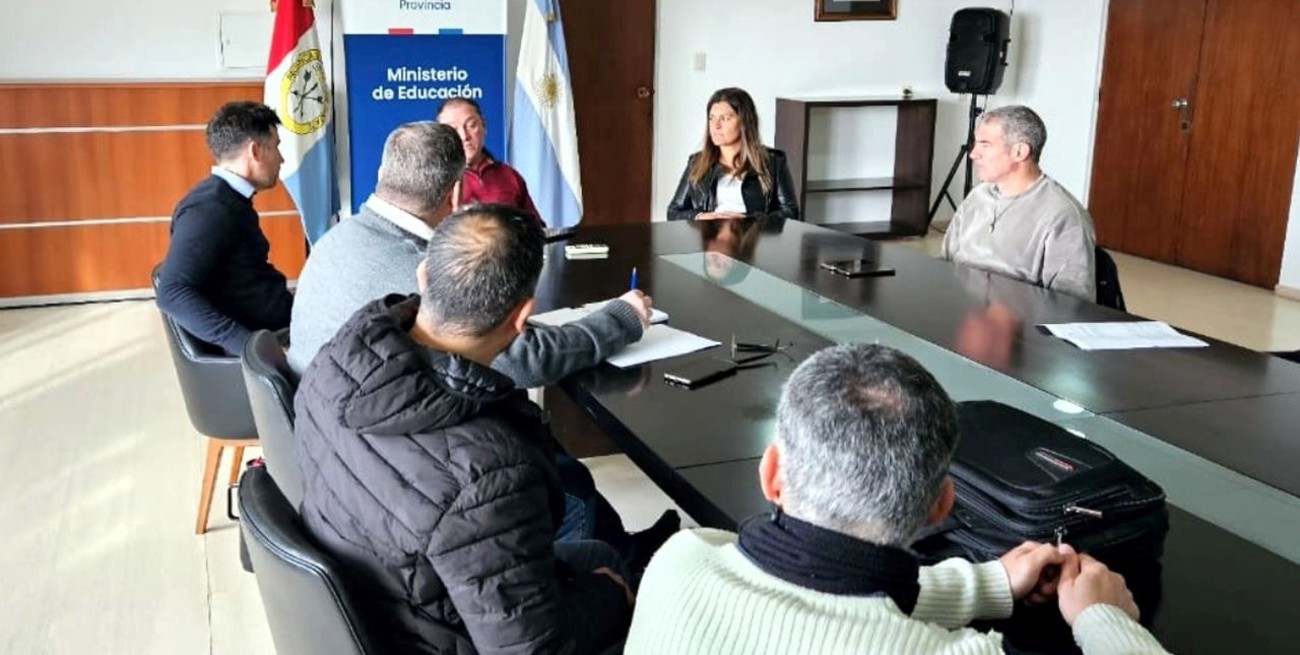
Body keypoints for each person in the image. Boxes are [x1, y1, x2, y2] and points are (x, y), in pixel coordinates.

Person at [626, 344, 1169, 654]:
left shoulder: (678, 560)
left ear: (771, 474)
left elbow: (825, 583)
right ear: (942, 504)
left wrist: (989, 583)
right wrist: (1103, 619)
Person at [296, 205, 635, 654]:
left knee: (603, 554)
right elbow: (532, 650)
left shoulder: (335, 361)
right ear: (522, 319)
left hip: (382, 591)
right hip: (432, 634)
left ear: (423, 277)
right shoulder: (488, 474)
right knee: (626, 585)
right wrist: (611, 598)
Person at [288, 121, 648, 390]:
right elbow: (519, 360)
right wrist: (621, 319)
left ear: (384, 173)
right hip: (373, 454)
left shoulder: (334, 239)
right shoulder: (420, 270)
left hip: (326, 434)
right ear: (455, 194)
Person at [155, 101, 293, 355]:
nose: (281, 159)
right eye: (276, 147)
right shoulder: (209, 209)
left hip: (281, 319)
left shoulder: (231, 200)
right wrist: (253, 349)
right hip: (272, 336)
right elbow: (171, 293)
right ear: (255, 151)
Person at [941, 105, 1097, 301]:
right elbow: (945, 266)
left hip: (1017, 316)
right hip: (961, 307)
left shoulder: (1063, 215)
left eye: (985, 144)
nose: (973, 153)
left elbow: (1071, 304)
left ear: (1019, 152)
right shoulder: (978, 197)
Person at [667, 87, 799, 222]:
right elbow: (673, 212)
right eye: (711, 118)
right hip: (709, 233)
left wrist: (750, 220)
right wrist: (701, 217)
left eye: (725, 118)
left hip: (754, 234)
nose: (716, 125)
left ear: (744, 122)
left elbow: (790, 212)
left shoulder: (772, 161)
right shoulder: (697, 163)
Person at [435, 97, 543, 223]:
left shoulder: (509, 175)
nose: (464, 136)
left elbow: (537, 228)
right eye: (453, 130)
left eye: (471, 125)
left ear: (484, 126)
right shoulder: (435, 181)